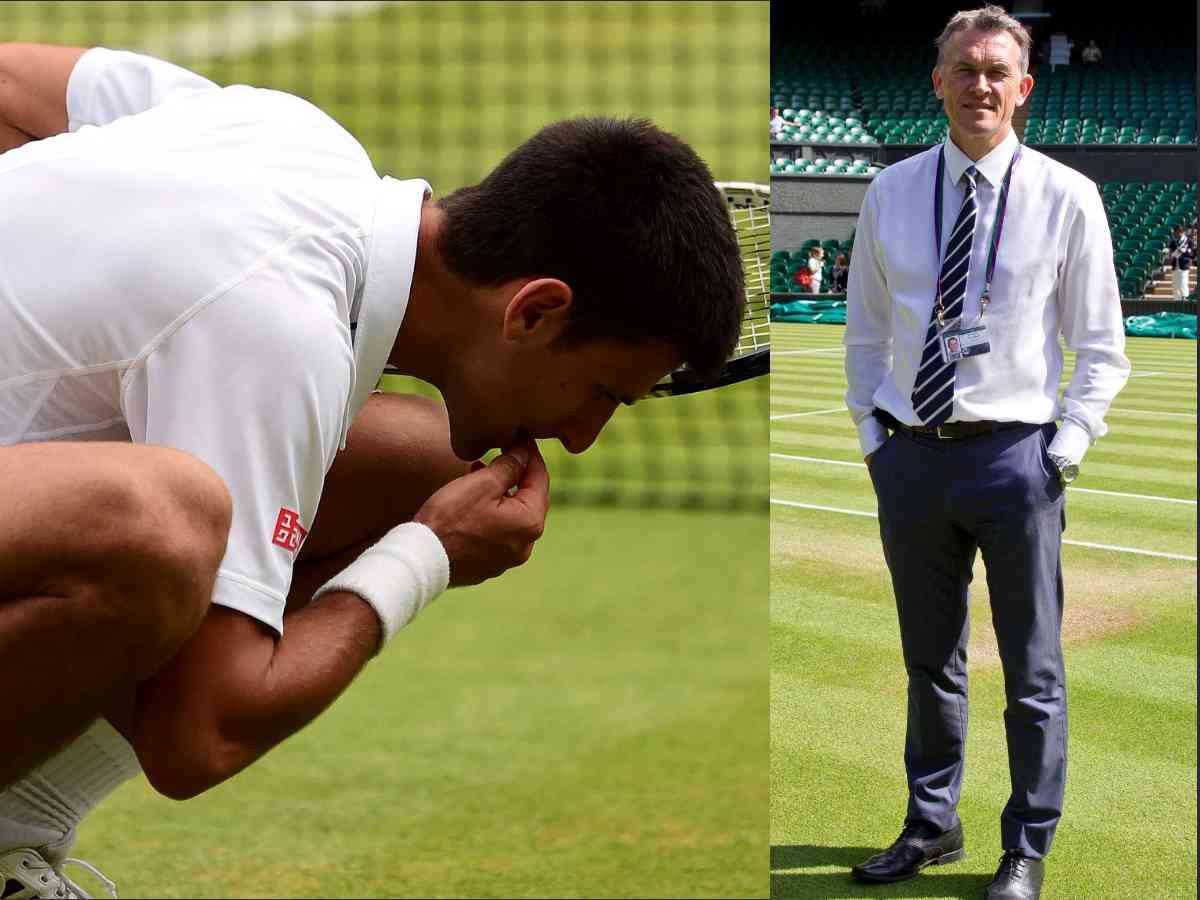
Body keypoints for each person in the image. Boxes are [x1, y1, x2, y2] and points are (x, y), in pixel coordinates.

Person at [0, 43, 745, 896]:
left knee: (415, 462)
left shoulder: (291, 134)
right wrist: (424, 558)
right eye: (604, 394)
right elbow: (198, 737)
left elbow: (9, 82)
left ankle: (14, 821)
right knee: (155, 524)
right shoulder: (284, 333)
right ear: (535, 310)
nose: (582, 438)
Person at [842, 8, 1129, 900]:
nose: (979, 85)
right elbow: (863, 335)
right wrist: (873, 443)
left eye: (997, 70)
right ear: (938, 82)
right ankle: (932, 827)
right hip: (912, 458)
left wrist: (1063, 451)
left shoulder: (1066, 195)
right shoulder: (890, 192)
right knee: (929, 664)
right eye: (964, 69)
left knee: (1033, 670)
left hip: (1017, 462)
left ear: (1024, 86)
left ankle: (1026, 848)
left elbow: (1103, 346)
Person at [1168, 225, 1192, 300]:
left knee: (1183, 283)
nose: (1175, 234)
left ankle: (1184, 298)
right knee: (1175, 284)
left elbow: (1191, 252)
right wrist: (1171, 255)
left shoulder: (1188, 240)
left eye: (1176, 232)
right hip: (1175, 265)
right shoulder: (1173, 242)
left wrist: (1184, 252)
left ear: (1180, 232)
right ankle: (1176, 299)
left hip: (1184, 264)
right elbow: (1171, 252)